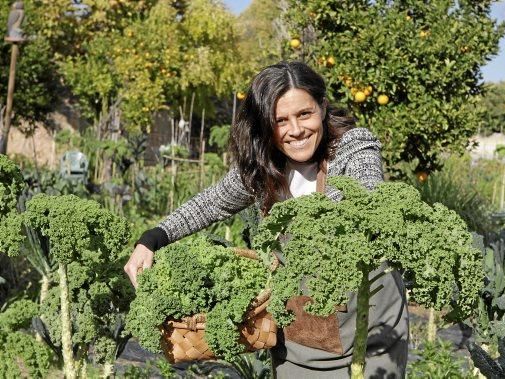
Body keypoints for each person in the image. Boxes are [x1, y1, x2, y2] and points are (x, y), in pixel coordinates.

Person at [124, 61, 408, 378]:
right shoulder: (264, 166)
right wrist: (152, 239)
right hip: (299, 339)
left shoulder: (353, 148)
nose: (296, 130)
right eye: (280, 120)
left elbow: (367, 196)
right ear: (264, 125)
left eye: (305, 114)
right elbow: (210, 204)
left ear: (322, 107)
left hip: (370, 333)